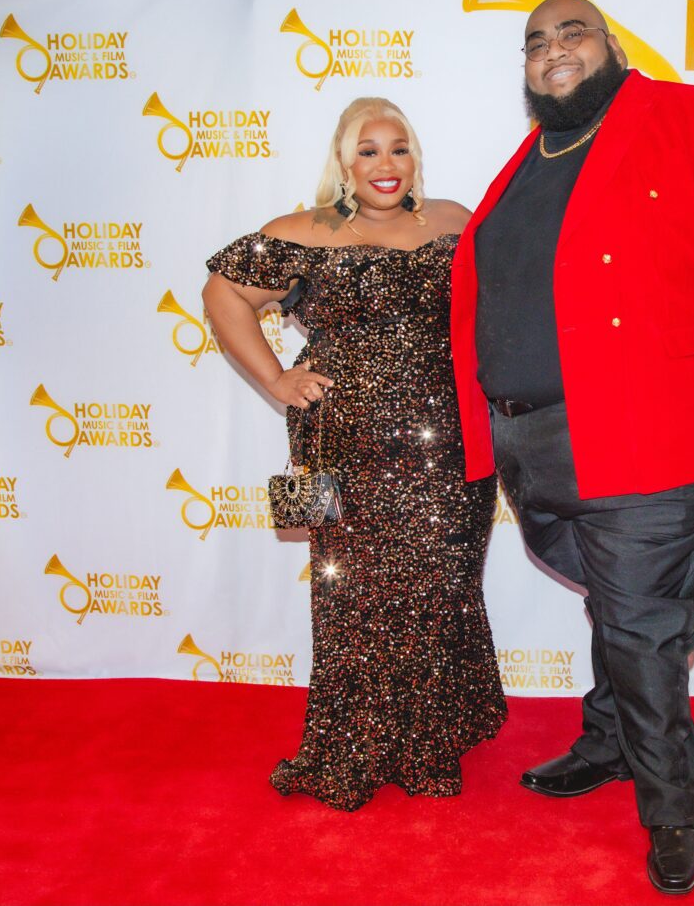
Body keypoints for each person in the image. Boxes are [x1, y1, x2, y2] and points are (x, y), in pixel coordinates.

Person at [450, 0, 694, 893]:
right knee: (623, 612)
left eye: (571, 32)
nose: (551, 50)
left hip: (659, 436)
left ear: (611, 45)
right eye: (534, 42)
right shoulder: (530, 162)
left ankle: (673, 810)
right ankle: (612, 740)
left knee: (644, 629)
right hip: (537, 445)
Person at [202, 96, 506, 811]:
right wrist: (278, 377)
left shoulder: (456, 221)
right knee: (356, 603)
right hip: (347, 449)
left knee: (440, 594)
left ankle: (431, 742)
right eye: (367, 150)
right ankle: (355, 745)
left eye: (398, 148)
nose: (385, 164)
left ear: (415, 158)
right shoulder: (305, 232)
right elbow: (223, 293)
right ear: (343, 161)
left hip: (448, 451)